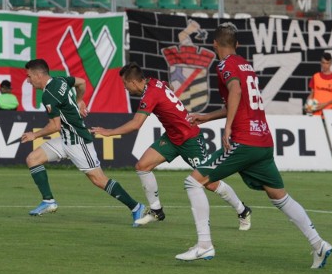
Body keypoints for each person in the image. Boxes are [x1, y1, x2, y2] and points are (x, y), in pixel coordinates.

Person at [178, 23, 332, 267]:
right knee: (279, 196)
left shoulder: (224, 64)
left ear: (214, 44)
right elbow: (238, 101)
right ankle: (319, 244)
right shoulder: (246, 66)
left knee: (193, 182)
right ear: (237, 45)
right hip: (262, 141)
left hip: (244, 141)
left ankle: (204, 245)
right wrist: (207, 117)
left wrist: (228, 128)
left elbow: (236, 91)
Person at [91, 63, 252, 229]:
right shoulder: (152, 82)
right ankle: (156, 210)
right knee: (142, 166)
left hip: (190, 139)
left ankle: (243, 210)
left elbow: (136, 124)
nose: (125, 88)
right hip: (172, 137)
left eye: (125, 84)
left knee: (209, 182)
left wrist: (109, 132)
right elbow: (168, 86)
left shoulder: (150, 93)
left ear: (132, 82)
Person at [20, 59, 147, 225]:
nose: (28, 80)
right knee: (33, 159)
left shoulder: (48, 95)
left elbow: (55, 126)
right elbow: (81, 82)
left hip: (78, 141)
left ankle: (136, 207)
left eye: (29, 76)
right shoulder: (60, 80)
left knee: (99, 180)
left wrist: (34, 136)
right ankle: (48, 201)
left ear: (38, 75)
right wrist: (79, 101)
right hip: (66, 139)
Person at [307, 52, 332, 118]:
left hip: (330, 113)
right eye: (323, 63)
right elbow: (312, 94)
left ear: (331, 64)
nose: (325, 65)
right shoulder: (315, 77)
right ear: (320, 63)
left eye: (327, 63)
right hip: (317, 113)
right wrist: (309, 107)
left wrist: (325, 104)